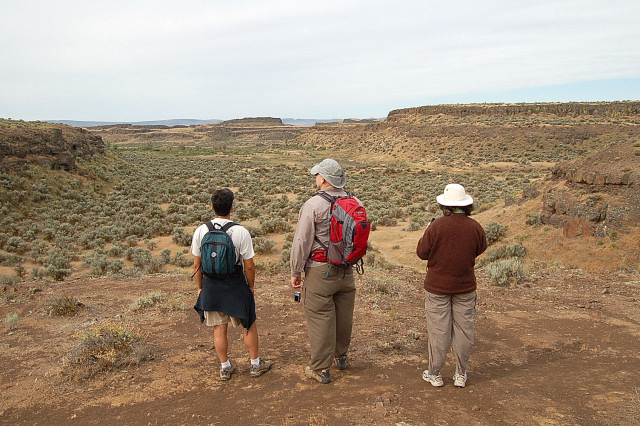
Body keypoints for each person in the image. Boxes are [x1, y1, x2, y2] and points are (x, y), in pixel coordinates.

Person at [290, 158, 359, 384]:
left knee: (320, 317)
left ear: (324, 179)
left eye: (317, 175)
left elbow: (302, 242)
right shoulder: (354, 201)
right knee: (343, 316)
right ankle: (341, 357)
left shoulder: (313, 205)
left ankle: (320, 367)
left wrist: (295, 271)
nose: (316, 178)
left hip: (320, 271)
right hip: (347, 271)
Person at [192, 188, 271, 381]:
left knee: (219, 327)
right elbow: (249, 265)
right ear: (232, 207)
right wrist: (250, 287)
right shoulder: (241, 231)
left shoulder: (201, 230)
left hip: (211, 285)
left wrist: (201, 287)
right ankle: (255, 364)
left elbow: (197, 264)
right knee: (248, 324)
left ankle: (225, 367)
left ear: (212, 207)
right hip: (235, 284)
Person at [416, 183, 487, 388]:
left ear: (444, 205)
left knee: (439, 331)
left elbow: (422, 253)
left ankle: (435, 374)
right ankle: (461, 374)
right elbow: (480, 248)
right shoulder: (475, 227)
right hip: (465, 286)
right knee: (464, 330)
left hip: (437, 287)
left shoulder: (436, 226)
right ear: (465, 205)